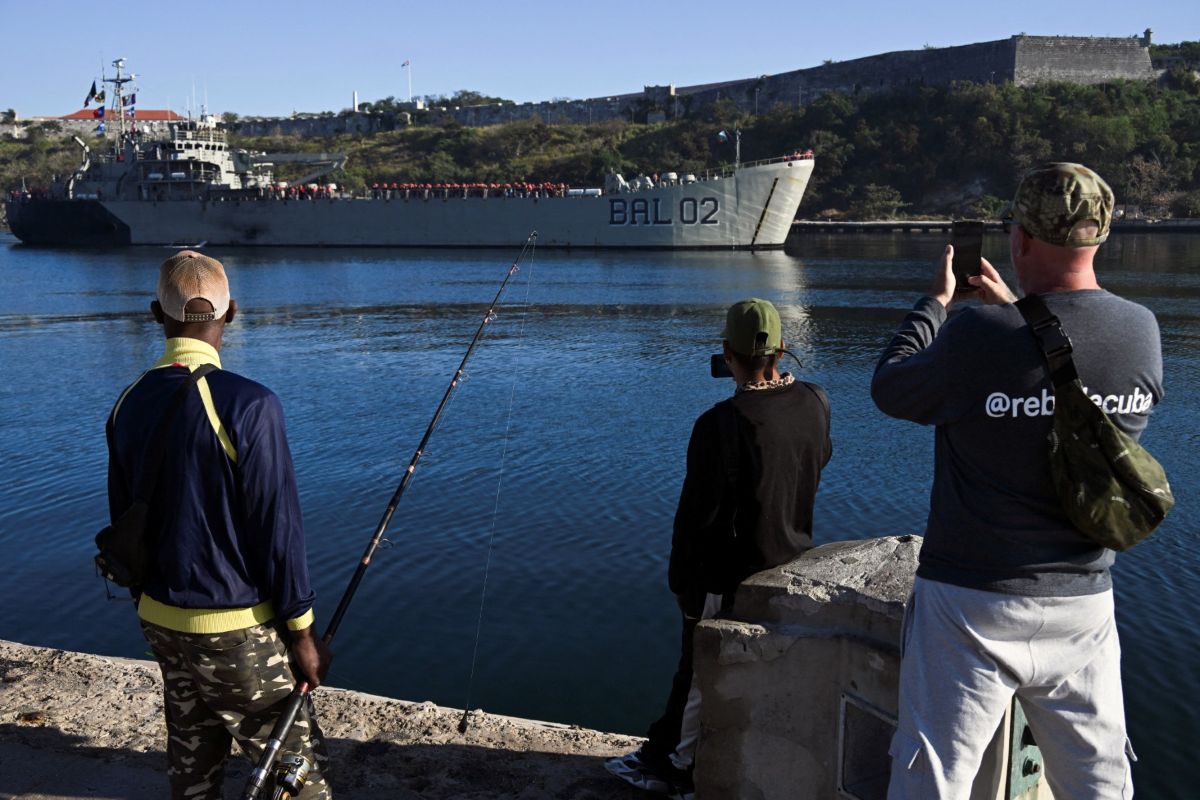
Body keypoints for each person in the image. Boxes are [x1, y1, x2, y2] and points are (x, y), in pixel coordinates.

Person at [872, 163, 1161, 799]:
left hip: (969, 601)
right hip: (1083, 599)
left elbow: (891, 386)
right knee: (1098, 783)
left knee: (934, 780)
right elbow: (1062, 366)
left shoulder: (976, 333)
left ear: (1021, 239)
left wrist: (937, 304)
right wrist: (1020, 314)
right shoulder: (1141, 330)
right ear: (1100, 236)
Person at [106, 250, 333, 799]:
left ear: (155, 315)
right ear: (231, 315)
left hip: (159, 621)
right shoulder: (250, 404)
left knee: (193, 762)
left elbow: (121, 517)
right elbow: (278, 530)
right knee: (296, 775)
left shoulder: (128, 402)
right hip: (235, 632)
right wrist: (303, 634)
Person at [607, 298, 832, 798]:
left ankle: (674, 767)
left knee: (696, 669)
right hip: (790, 559)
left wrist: (682, 585)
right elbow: (813, 464)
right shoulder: (816, 401)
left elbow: (696, 520)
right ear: (781, 349)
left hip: (726, 574)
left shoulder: (720, 423)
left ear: (726, 352)